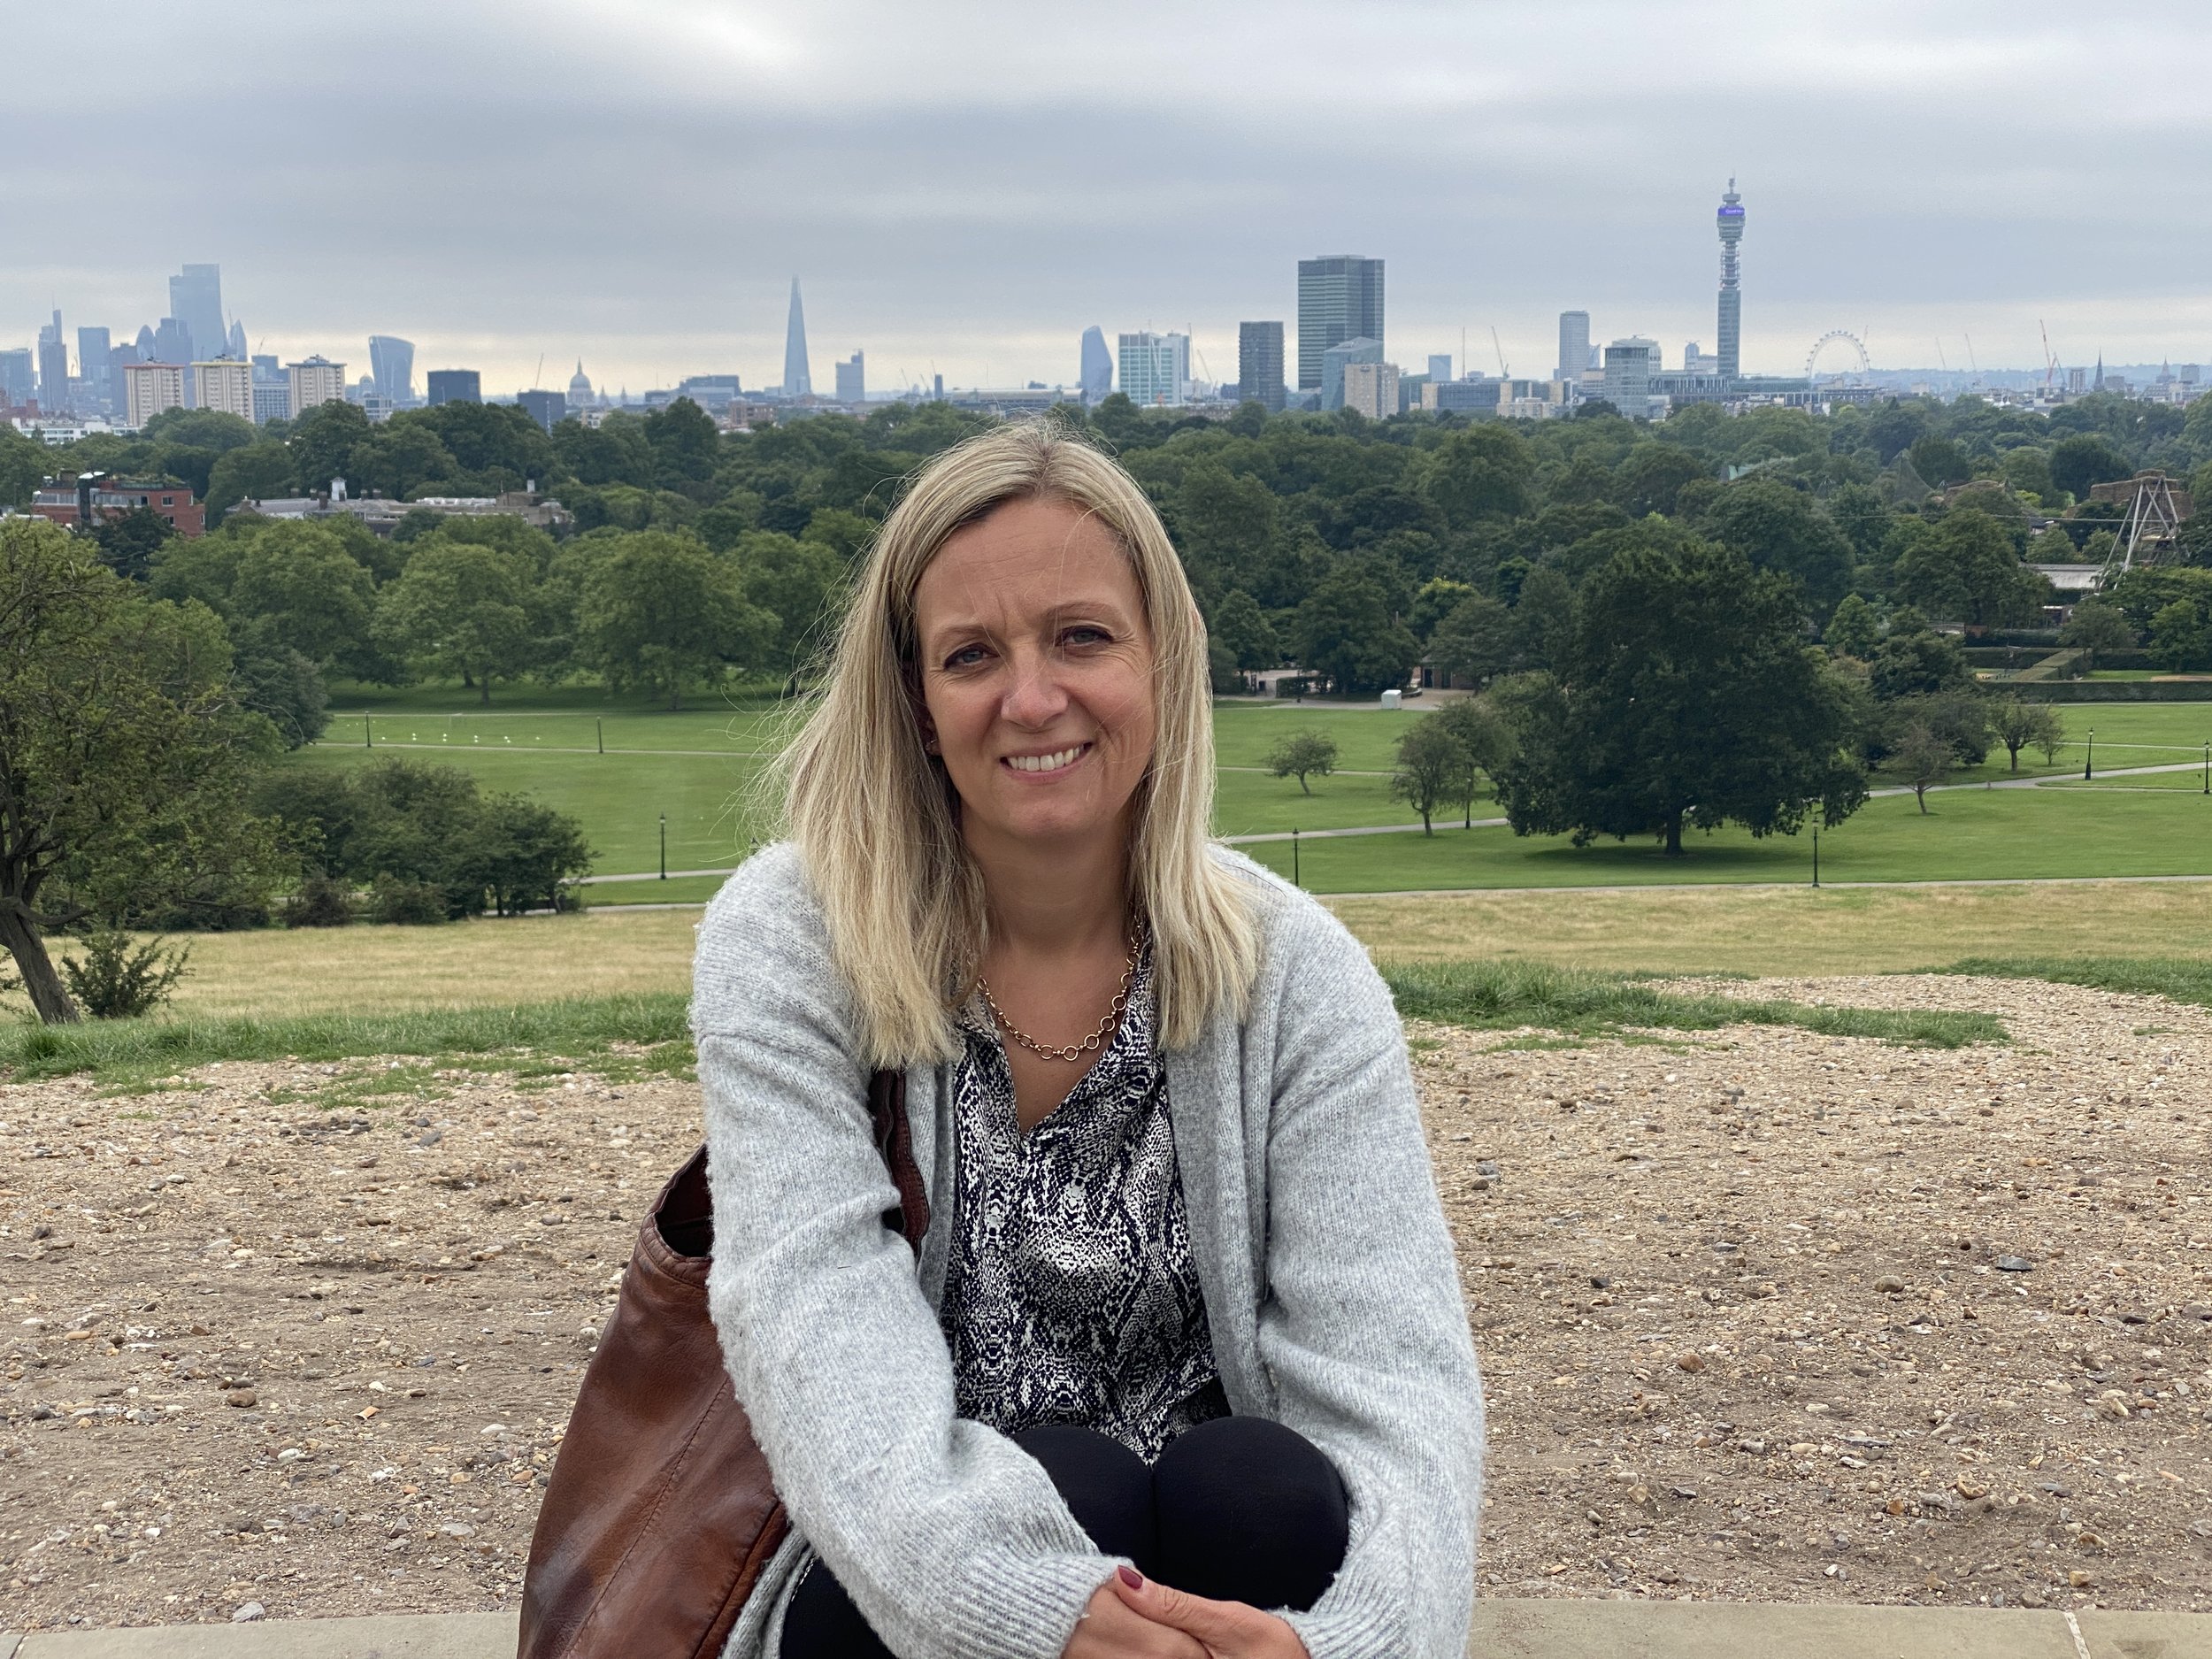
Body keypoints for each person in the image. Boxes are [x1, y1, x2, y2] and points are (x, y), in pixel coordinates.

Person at [693, 422, 1481, 1659]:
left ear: (1163, 661)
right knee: (1072, 1485)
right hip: (900, 1585)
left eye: (1082, 637)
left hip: (1224, 1581)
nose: (1032, 698)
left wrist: (1351, 1648)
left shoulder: (1295, 973)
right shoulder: (793, 940)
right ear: (914, 697)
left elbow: (1398, 1382)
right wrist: (1028, 1613)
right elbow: (814, 1325)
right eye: (970, 655)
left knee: (1259, 1487)